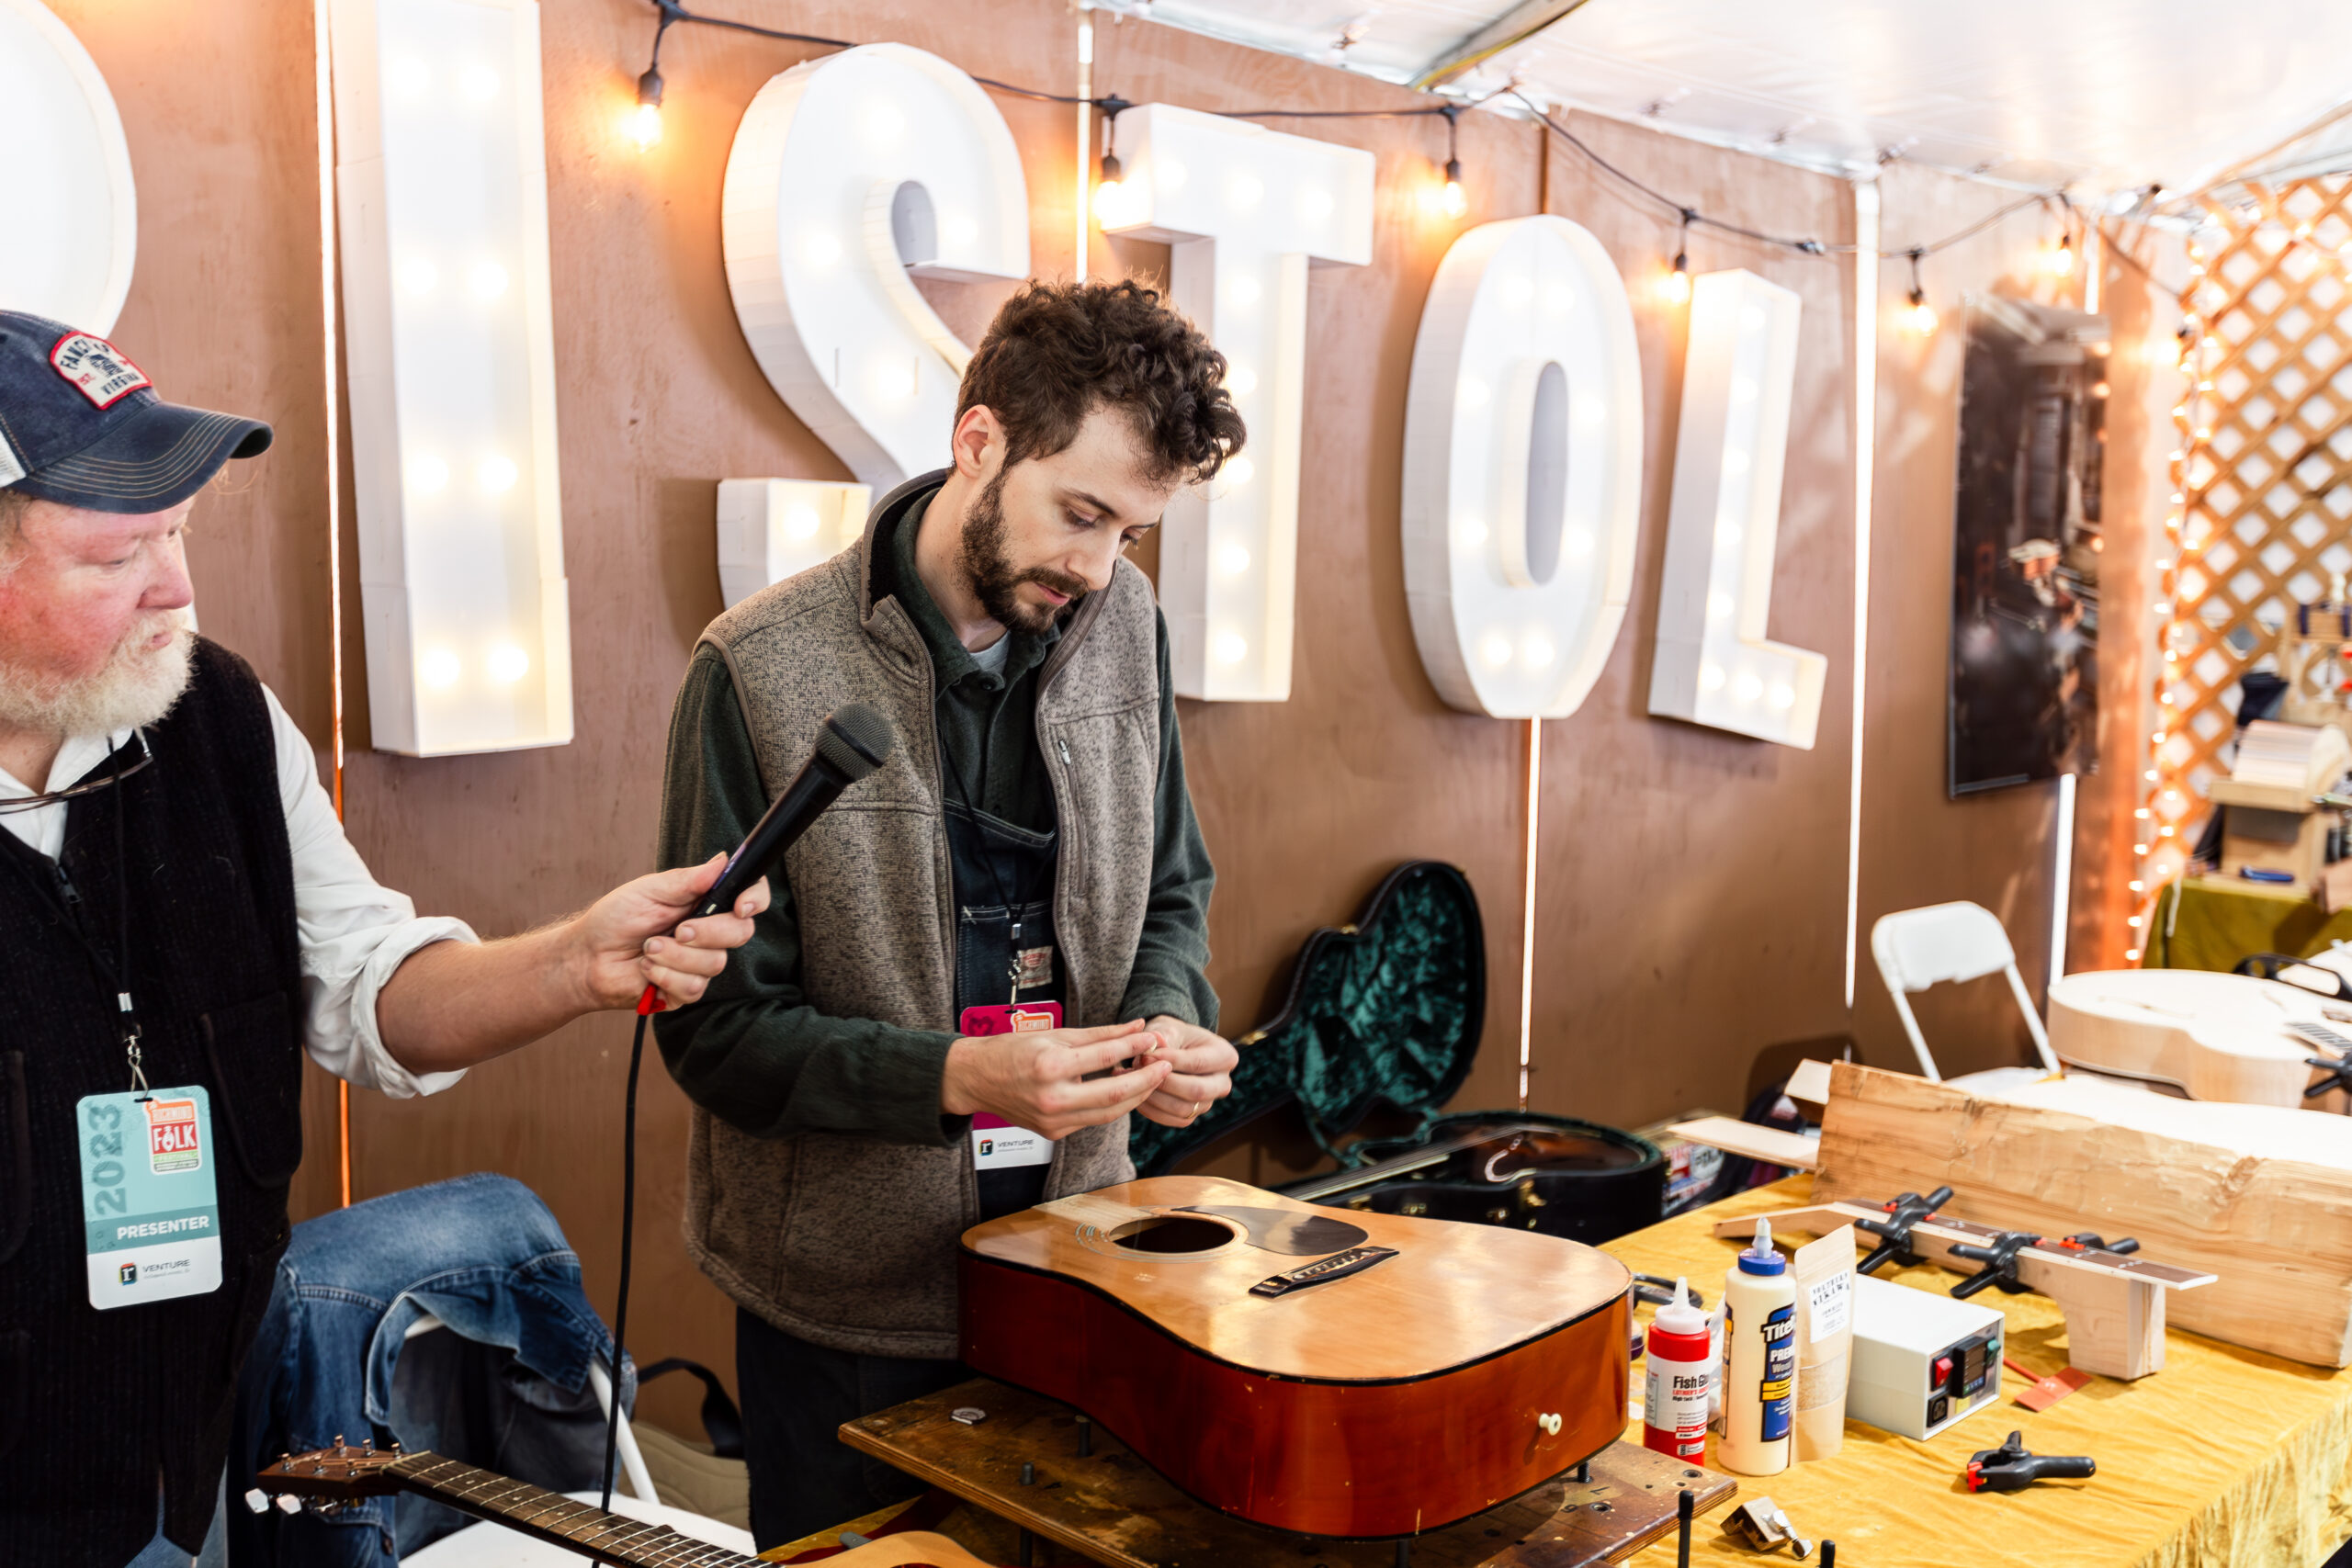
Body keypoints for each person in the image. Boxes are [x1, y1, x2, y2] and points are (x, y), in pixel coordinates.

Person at [0, 310, 770, 1565]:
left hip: (175, 1477)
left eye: (179, 535)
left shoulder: (221, 721)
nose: (177, 588)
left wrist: (577, 962)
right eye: (117, 555)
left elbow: (368, 981)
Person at [655, 278, 1245, 1547]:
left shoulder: (1124, 621)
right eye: (1081, 513)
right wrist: (963, 1075)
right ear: (978, 441)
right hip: (847, 1317)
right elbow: (717, 1036)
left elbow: (1174, 893)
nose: (1097, 569)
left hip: (1085, 1269)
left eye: (1131, 534)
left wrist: (1161, 1023)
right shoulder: (756, 668)